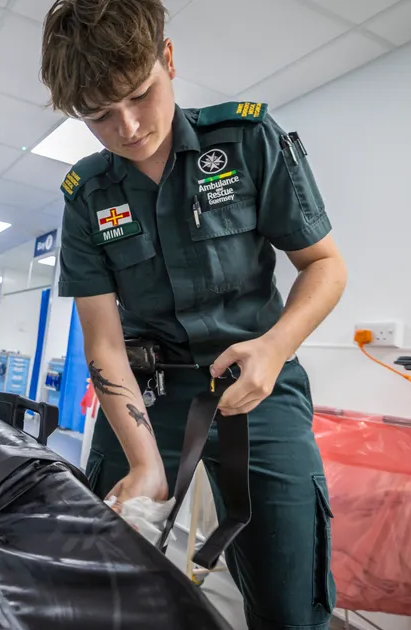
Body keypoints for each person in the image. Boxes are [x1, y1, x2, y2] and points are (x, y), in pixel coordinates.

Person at [40, 1, 349, 629]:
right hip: (143, 396)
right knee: (96, 584)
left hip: (259, 383)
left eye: (139, 95)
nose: (127, 126)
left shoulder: (247, 140)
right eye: (99, 115)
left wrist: (275, 348)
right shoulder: (88, 195)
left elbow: (326, 266)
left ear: (169, 60)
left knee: (292, 602)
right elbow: (103, 344)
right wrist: (146, 463)